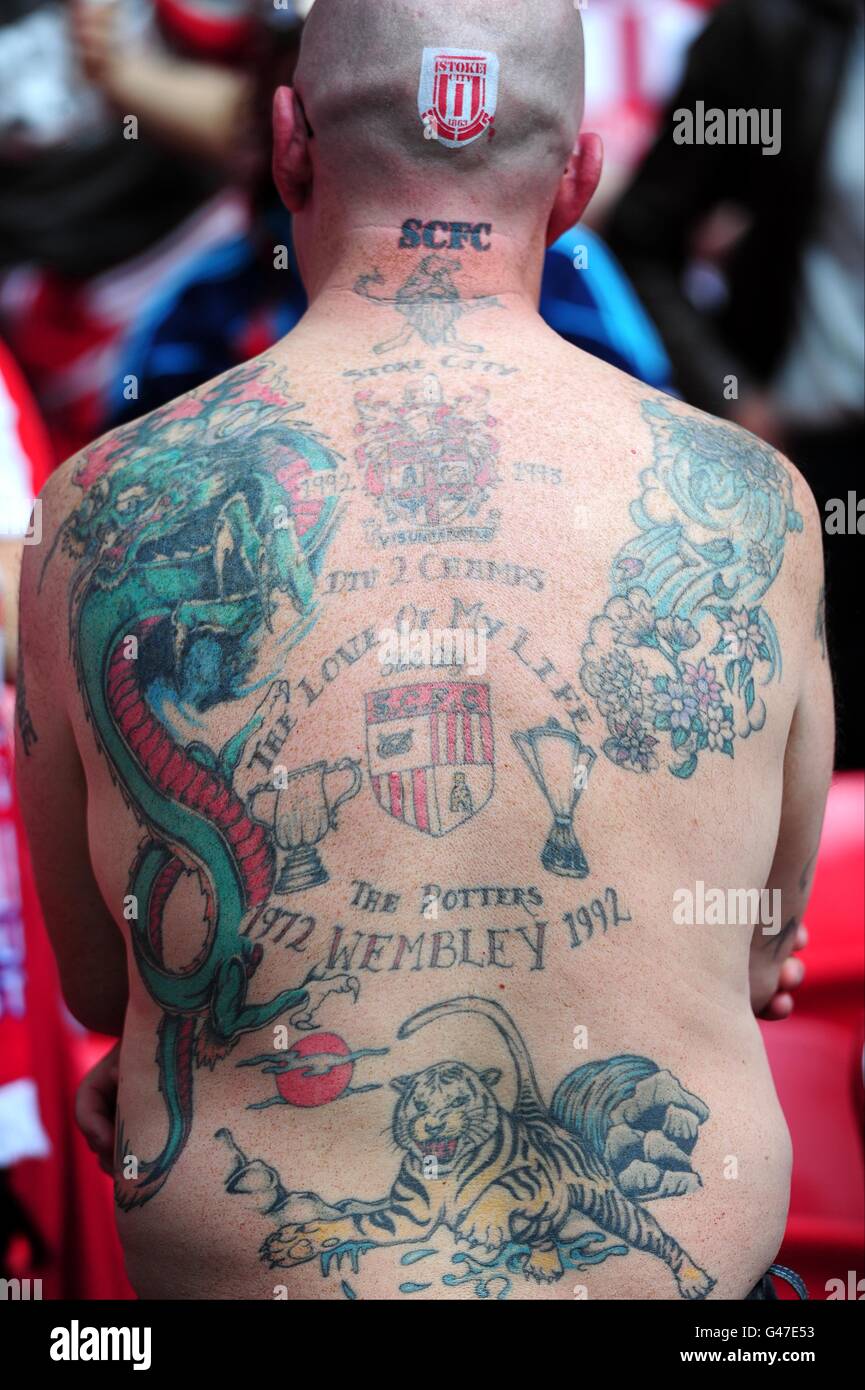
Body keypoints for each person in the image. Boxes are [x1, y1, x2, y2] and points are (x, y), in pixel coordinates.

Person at [18, 0, 830, 1301]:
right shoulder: (751, 504)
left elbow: (104, 971)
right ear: (578, 179)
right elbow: (753, 947)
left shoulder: (108, 511)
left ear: (288, 143)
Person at [606, 0, 863, 768]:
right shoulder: (774, 29)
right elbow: (642, 236)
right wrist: (729, 398)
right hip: (810, 466)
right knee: (809, 764)